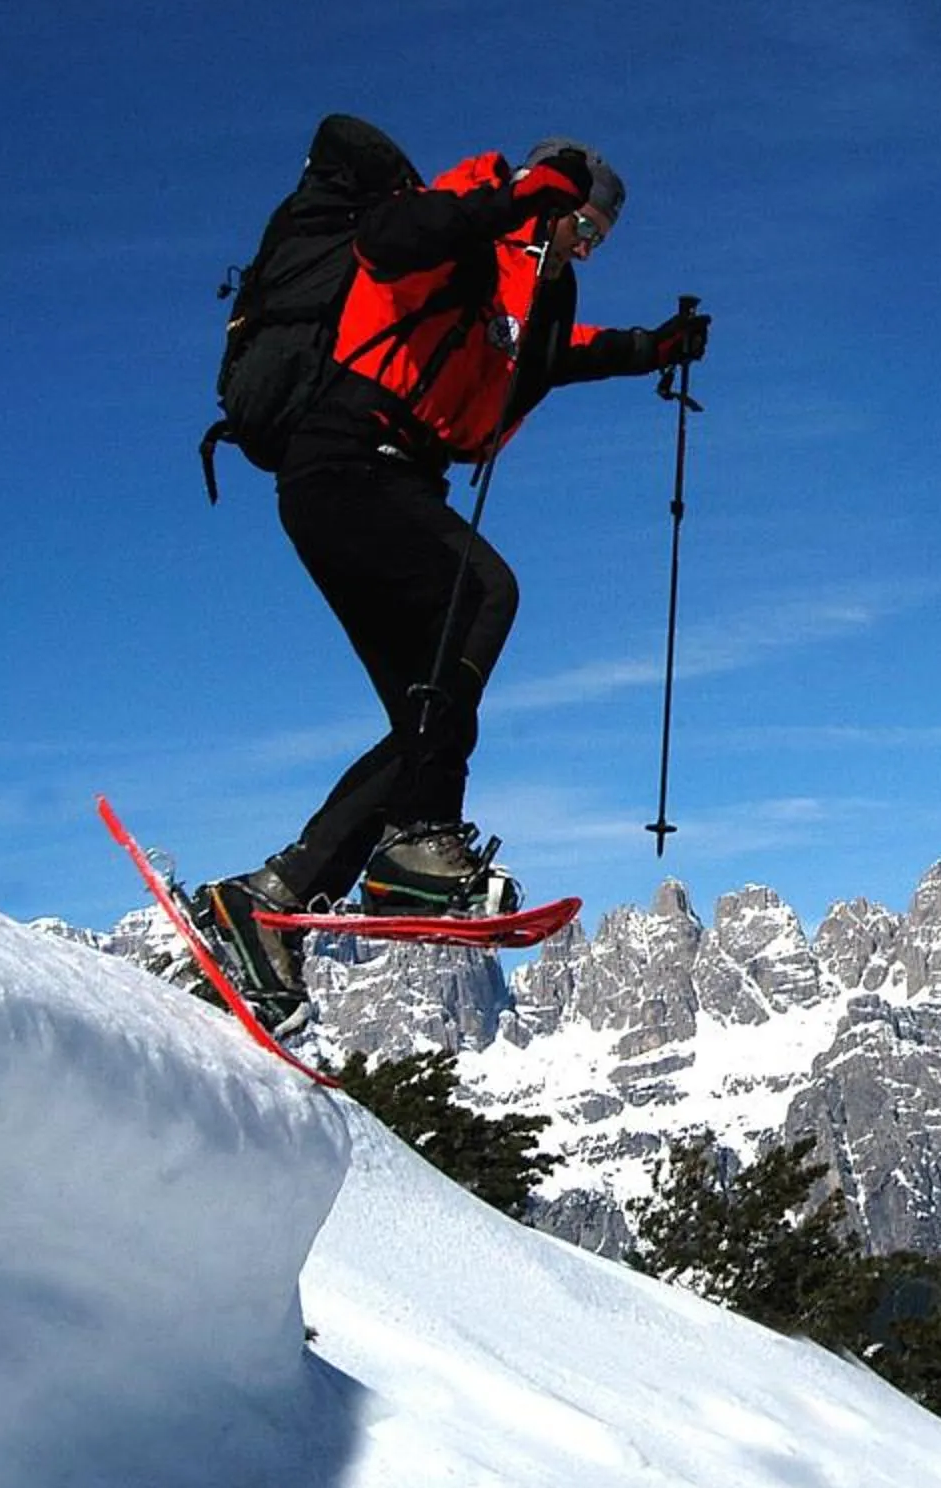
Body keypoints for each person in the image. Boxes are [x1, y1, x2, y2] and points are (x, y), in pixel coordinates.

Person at [194, 135, 709, 1026]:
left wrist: (650, 348)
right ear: (550, 195)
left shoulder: (530, 283)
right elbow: (390, 243)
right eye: (581, 225)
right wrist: (514, 199)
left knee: (426, 722)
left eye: (597, 241)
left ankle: (265, 905)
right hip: (350, 457)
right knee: (483, 594)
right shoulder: (466, 219)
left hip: (389, 478)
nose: (582, 248)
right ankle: (416, 852)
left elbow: (544, 360)